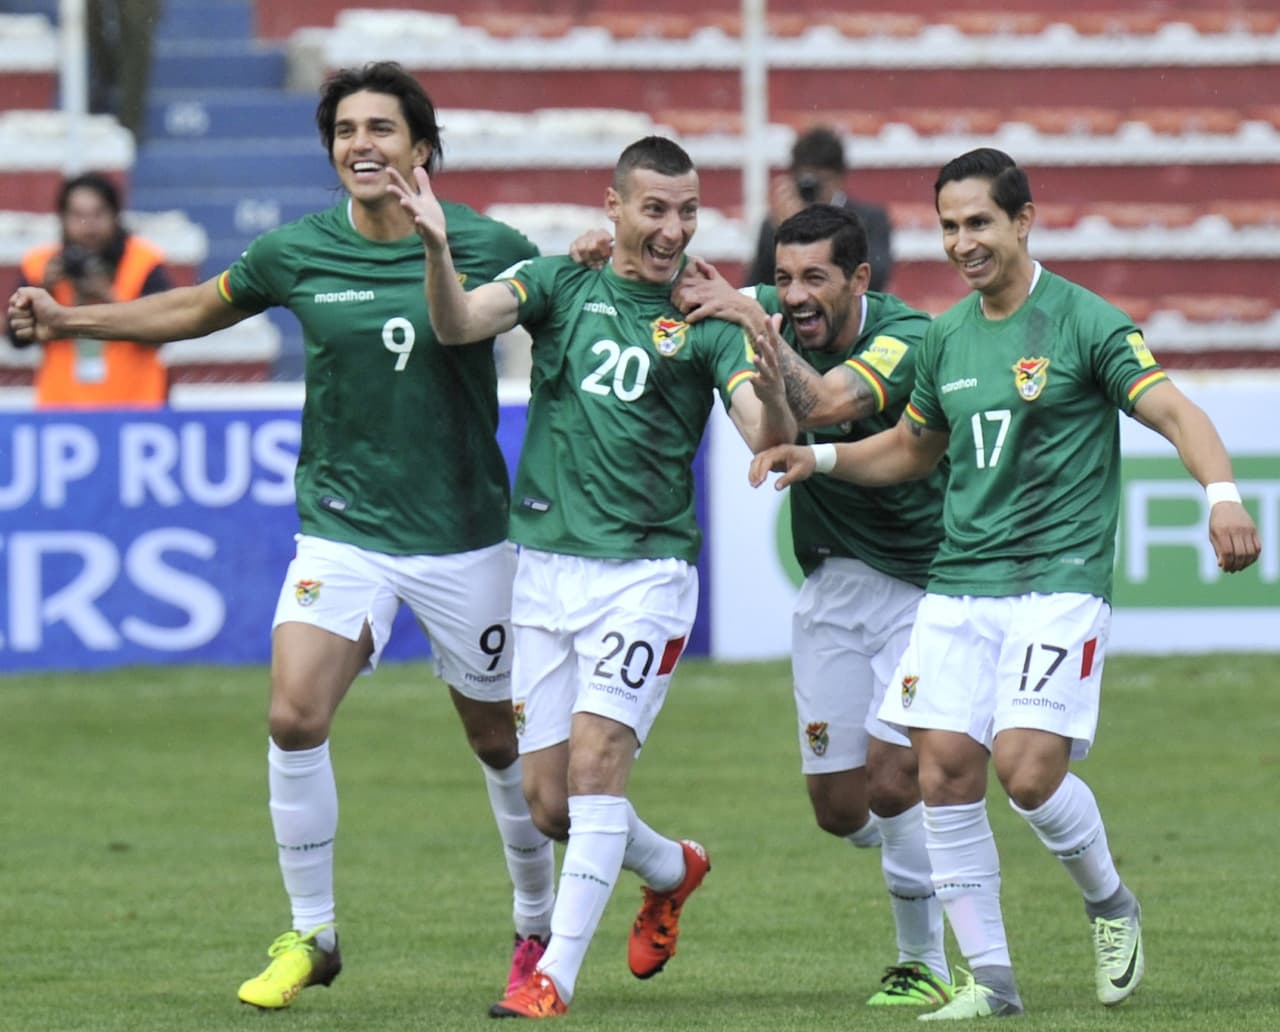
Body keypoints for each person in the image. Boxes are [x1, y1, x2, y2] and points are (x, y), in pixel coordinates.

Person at [8, 61, 557, 1013]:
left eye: (382, 129)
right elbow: (192, 309)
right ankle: (314, 933)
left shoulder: (489, 242)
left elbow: (567, 328)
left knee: (497, 744)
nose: (362, 145)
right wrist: (68, 320)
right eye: (346, 130)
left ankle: (536, 928)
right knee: (294, 715)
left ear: (422, 148)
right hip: (343, 529)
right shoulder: (299, 251)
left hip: (465, 535)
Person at [749, 148, 1263, 1020]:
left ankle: (1111, 905)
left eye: (979, 222)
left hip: (1059, 581)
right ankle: (990, 982)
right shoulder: (947, 336)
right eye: (949, 226)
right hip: (959, 585)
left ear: (1023, 222)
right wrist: (821, 455)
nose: (963, 242)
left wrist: (1221, 496)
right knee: (943, 772)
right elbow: (913, 449)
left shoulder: (1084, 322)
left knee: (1026, 774)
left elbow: (1176, 409)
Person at [390, 135, 797, 1020]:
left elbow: (763, 431)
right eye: (655, 209)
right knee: (549, 803)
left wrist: (757, 344)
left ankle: (553, 980)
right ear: (612, 208)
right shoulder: (558, 281)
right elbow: (458, 324)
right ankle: (670, 868)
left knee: (596, 764)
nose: (673, 229)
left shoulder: (703, 310)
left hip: (646, 575)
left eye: (688, 211)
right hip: (543, 570)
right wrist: (433, 247)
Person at [671, 204, 953, 1008]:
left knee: (893, 777)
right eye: (784, 278)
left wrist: (754, 319)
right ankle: (928, 848)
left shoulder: (905, 335)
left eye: (815, 279)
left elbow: (826, 405)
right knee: (840, 808)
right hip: (831, 586)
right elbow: (660, 283)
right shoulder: (772, 306)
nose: (795, 295)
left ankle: (921, 960)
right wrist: (594, 251)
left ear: (859, 279)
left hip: (925, 586)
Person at [7, 172, 172, 407]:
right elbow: (17, 340)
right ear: (62, 219)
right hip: (61, 410)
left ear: (115, 216)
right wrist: (44, 289)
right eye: (78, 216)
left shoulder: (144, 262)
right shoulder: (39, 266)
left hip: (136, 407)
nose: (88, 227)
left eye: (98, 214)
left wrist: (108, 296)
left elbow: (165, 332)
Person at [746, 125, 894, 293]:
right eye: (805, 184)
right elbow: (757, 287)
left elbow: (875, 279)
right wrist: (784, 234)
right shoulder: (775, 223)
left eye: (819, 182)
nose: (812, 191)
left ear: (839, 179)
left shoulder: (870, 220)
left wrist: (808, 233)